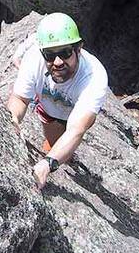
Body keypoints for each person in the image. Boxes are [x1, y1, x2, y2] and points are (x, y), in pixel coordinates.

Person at [7, 13, 108, 189]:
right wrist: (13, 119)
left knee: (63, 150)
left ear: (79, 49)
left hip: (75, 113)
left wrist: (47, 165)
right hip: (48, 109)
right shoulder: (33, 59)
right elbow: (20, 99)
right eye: (50, 55)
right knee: (54, 143)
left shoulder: (94, 77)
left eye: (65, 52)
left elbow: (77, 129)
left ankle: (60, 155)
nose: (58, 62)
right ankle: (56, 149)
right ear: (42, 53)